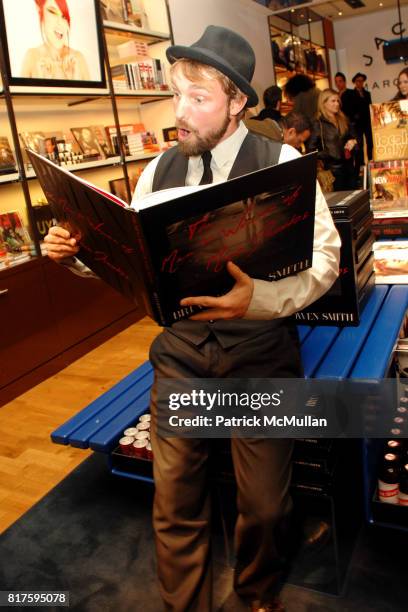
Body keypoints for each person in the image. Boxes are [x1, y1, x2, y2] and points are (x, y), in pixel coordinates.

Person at [44, 25, 340, 612]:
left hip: (258, 355)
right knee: (176, 498)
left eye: (197, 99)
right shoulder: (158, 171)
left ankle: (257, 592)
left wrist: (256, 299)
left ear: (236, 103)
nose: (179, 113)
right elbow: (138, 265)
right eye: (175, 94)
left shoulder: (279, 163)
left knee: (266, 505)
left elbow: (326, 262)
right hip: (181, 358)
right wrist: (81, 254)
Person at [21, 0, 90, 81]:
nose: (60, 23)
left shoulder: (78, 58)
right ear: (41, 12)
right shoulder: (32, 56)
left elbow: (91, 93)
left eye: (64, 17)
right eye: (52, 12)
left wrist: (75, 79)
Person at [307, 88, 358, 191]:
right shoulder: (317, 123)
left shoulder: (343, 119)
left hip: (349, 168)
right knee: (339, 203)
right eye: (333, 101)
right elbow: (310, 149)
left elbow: (356, 137)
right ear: (324, 103)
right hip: (332, 172)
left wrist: (354, 141)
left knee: (352, 201)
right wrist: (328, 153)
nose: (337, 104)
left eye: (338, 101)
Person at [350, 72, 373, 162]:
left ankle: (370, 159)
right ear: (355, 82)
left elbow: (370, 106)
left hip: (367, 122)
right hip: (357, 123)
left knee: (370, 142)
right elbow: (350, 109)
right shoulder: (351, 94)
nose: (360, 82)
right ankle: (361, 163)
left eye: (361, 81)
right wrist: (355, 117)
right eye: (357, 81)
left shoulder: (367, 94)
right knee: (359, 143)